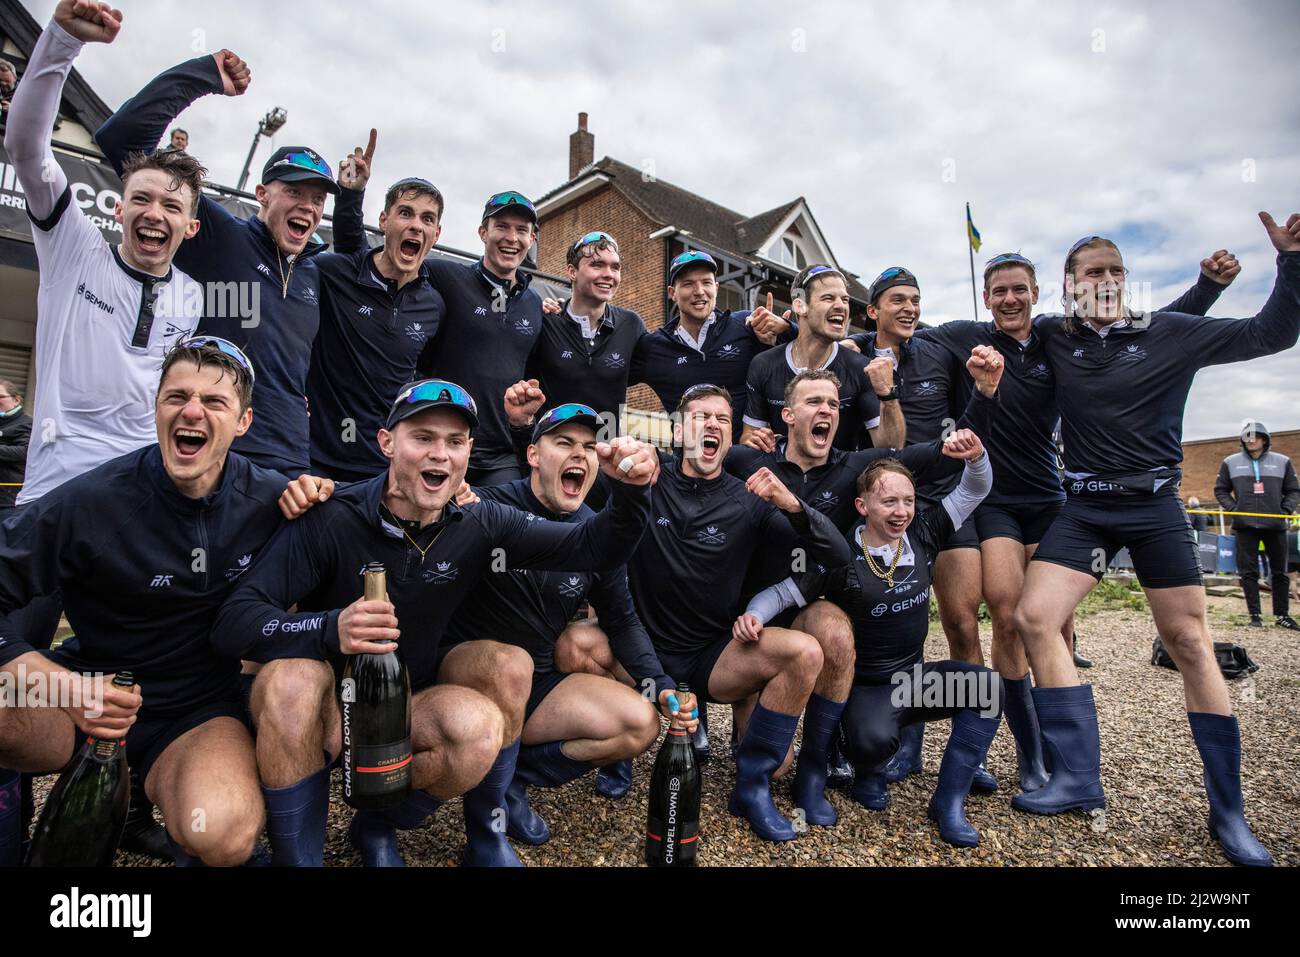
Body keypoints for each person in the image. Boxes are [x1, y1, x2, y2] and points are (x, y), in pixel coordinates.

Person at [213, 378, 660, 867]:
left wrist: (631, 493)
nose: (440, 455)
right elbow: (235, 621)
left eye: (454, 442)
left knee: (477, 727)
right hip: (324, 710)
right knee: (292, 678)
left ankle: (381, 823)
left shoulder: (479, 522)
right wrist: (329, 628)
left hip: (406, 702)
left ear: (469, 451)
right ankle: (298, 859)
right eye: (422, 437)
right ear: (387, 443)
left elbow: (593, 547)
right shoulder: (331, 515)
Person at [1012, 216, 1300, 868]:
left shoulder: (1171, 332)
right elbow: (998, 328)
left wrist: (1291, 263)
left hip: (1154, 508)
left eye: (1116, 269)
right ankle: (1079, 777)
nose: (1108, 279)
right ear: (1069, 287)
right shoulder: (1055, 337)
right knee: (1034, 616)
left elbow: (1272, 333)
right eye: (1094, 272)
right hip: (1086, 508)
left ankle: (1229, 810)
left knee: (1192, 642)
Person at [0, 337, 335, 867]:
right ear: (155, 407)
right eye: (176, 396)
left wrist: (454, 497)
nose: (192, 411)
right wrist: (64, 685)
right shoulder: (92, 499)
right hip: (82, 701)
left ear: (244, 422)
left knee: (220, 833)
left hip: (194, 712)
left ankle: (156, 809)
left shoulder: (275, 500)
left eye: (215, 402)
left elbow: (367, 524)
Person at [2, 1, 209, 858]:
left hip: (141, 518)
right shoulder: (72, 243)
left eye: (172, 204)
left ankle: (123, 803)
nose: (155, 213)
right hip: (54, 504)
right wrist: (60, 41)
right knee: (16, 664)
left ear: (192, 225)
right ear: (119, 204)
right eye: (143, 198)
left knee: (148, 672)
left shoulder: (195, 298)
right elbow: (25, 145)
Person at [908, 248, 1232, 792]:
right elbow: (905, 332)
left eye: (1019, 289)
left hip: (1051, 493)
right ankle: (1031, 755)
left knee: (1051, 624)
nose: (1010, 298)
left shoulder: (1062, 336)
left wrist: (1207, 288)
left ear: (1038, 293)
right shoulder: (967, 335)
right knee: (1010, 618)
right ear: (986, 299)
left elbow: (1154, 328)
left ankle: (1067, 762)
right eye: (999, 291)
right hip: (995, 500)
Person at [446, 400, 699, 843]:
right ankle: (482, 828)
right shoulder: (484, 506)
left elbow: (621, 619)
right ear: (533, 455)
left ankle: (512, 780)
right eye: (564, 443)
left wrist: (660, 682)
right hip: (467, 678)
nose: (579, 454)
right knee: (510, 666)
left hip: (537, 682)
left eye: (589, 446)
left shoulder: (595, 532)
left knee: (639, 723)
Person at [96, 43, 344, 479]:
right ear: (262, 195)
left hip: (289, 462)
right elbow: (123, 139)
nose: (308, 206)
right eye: (295, 192)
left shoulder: (314, 272)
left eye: (317, 199)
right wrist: (202, 76)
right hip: (215, 452)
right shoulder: (223, 237)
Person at [741, 433, 1001, 847]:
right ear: (862, 507)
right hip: (868, 689)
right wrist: (754, 616)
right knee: (873, 743)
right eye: (889, 502)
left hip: (913, 683)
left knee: (987, 688)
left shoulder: (926, 531)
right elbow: (783, 592)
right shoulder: (842, 556)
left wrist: (977, 455)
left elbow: (975, 487)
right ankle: (865, 766)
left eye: (908, 501)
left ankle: (949, 802)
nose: (902, 512)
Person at [624, 383, 855, 838]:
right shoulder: (646, 481)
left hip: (713, 656)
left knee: (805, 652)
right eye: (700, 417)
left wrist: (791, 504)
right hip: (640, 653)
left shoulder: (749, 498)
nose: (712, 425)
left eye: (722, 419)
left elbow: (838, 555)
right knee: (581, 642)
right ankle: (616, 763)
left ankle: (752, 787)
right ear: (676, 430)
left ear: (730, 439)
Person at [330, 158, 546, 486]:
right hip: (443, 443)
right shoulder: (445, 276)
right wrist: (350, 196)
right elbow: (369, 264)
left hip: (500, 454)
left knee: (498, 532)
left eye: (521, 230)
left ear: (531, 240)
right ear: (483, 232)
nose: (511, 237)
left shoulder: (535, 304)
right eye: (501, 226)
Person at [309, 153, 447, 481]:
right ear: (384, 221)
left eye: (427, 219)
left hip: (381, 468)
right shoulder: (333, 273)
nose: (416, 225)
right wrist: (351, 193)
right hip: (312, 459)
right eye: (405, 213)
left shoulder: (434, 305)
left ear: (436, 234)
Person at [628, 251, 793, 442]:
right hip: (687, 462)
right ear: (672, 293)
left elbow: (806, 358)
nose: (699, 291)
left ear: (716, 287)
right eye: (688, 284)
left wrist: (786, 329)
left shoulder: (747, 325)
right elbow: (607, 374)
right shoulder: (653, 346)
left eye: (706, 282)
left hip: (744, 457)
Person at [743, 264, 903, 453]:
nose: (841, 306)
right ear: (800, 305)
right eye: (828, 298)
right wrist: (757, 440)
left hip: (841, 479)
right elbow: (748, 437)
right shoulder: (764, 364)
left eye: (845, 300)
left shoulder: (861, 368)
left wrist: (889, 397)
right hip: (782, 475)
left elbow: (891, 449)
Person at [1215, 421, 1300, 629]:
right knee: (1248, 572)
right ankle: (1255, 615)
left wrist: (1285, 510)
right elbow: (1221, 490)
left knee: (1280, 572)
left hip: (1275, 526)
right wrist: (1234, 509)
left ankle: (1282, 615)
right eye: (1247, 437)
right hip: (1245, 526)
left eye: (1255, 436)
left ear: (1264, 439)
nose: (1251, 440)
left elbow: (1293, 490)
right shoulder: (1231, 462)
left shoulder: (1282, 461)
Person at [0, 382, 30, 510]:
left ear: (16, 400)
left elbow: (25, 452)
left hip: (7, 501)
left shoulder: (26, 424)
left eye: (0, 397)